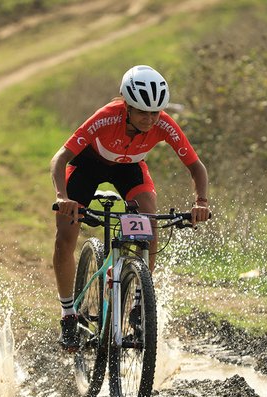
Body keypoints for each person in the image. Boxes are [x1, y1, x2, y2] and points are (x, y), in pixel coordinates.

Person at [50, 65, 210, 351]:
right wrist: (63, 197)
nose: (150, 120)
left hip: (130, 170)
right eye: (142, 112)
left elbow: (196, 167)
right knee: (65, 237)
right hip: (88, 167)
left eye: (155, 113)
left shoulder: (164, 124)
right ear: (126, 106)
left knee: (149, 219)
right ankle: (68, 315)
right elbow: (60, 158)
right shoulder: (106, 117)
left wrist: (201, 203)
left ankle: (139, 301)